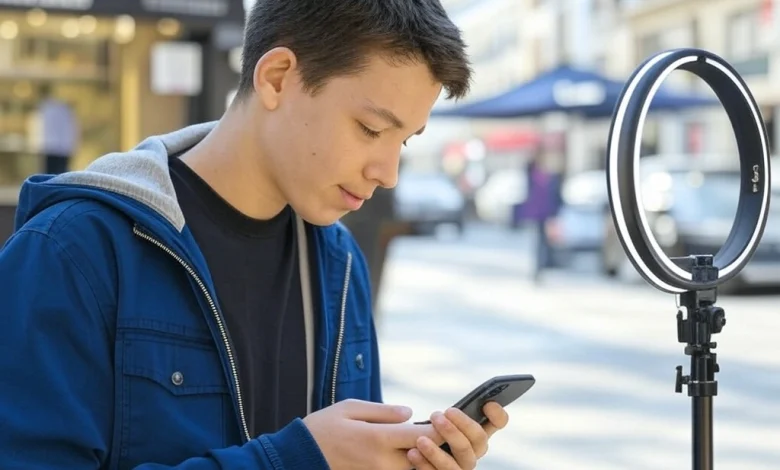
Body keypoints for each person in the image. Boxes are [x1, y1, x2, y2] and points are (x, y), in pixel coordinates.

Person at [0, 1, 510, 469]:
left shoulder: (340, 263)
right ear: (277, 77)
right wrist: (292, 461)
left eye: (405, 140)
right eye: (372, 129)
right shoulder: (71, 251)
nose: (388, 172)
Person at [37, 83, 79, 174]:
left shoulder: (55, 108)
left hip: (57, 147)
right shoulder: (48, 108)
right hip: (55, 147)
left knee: (53, 175)